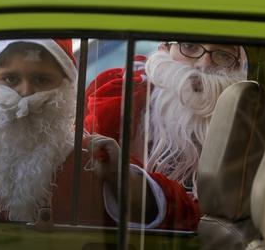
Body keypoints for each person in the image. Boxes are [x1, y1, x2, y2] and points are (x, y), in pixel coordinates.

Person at [0, 38, 112, 225]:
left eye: (41, 80)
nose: (25, 92)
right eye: (10, 79)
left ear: (65, 85)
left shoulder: (96, 163)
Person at [84, 41, 247, 230]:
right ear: (165, 48)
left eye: (223, 55)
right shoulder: (119, 99)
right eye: (190, 46)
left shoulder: (248, 123)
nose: (203, 63)